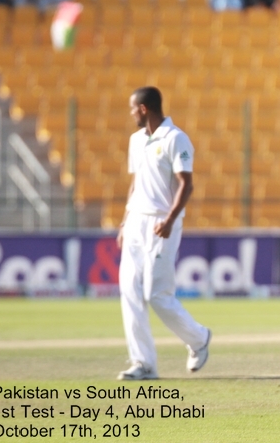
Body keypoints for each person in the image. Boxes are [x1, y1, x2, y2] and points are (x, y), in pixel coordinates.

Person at [116, 86, 211, 380]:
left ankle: (199, 339)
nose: (131, 113)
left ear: (144, 109)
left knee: (156, 294)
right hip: (136, 222)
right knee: (130, 292)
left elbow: (186, 184)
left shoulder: (175, 138)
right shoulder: (136, 140)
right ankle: (143, 364)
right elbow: (136, 184)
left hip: (161, 223)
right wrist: (124, 221)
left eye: (133, 108)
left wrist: (170, 220)